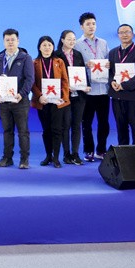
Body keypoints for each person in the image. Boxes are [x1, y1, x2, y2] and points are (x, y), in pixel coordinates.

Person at [0, 28, 34, 169]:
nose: (10, 42)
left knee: (23, 132)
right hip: (4, 102)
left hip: (20, 101)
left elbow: (30, 79)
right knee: (7, 131)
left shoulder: (25, 58)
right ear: (3, 42)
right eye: (7, 40)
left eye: (13, 39)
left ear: (18, 41)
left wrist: (22, 94)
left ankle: (24, 159)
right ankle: (7, 158)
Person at [74, 12, 110, 162]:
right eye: (88, 24)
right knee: (86, 123)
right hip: (87, 91)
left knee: (104, 123)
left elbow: (108, 60)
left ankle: (101, 150)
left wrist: (108, 65)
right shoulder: (76, 44)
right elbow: (74, 66)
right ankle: (88, 150)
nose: (91, 26)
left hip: (103, 89)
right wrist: (85, 65)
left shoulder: (103, 42)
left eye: (93, 24)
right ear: (81, 27)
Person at [31, 36, 71, 168]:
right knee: (46, 130)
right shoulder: (34, 63)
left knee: (57, 130)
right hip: (42, 102)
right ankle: (48, 155)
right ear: (39, 47)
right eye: (44, 45)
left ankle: (56, 157)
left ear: (53, 47)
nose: (47, 47)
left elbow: (65, 81)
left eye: (49, 45)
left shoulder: (59, 61)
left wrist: (63, 97)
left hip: (57, 102)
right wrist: (39, 96)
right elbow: (32, 83)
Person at [108, 24, 135, 146]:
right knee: (120, 127)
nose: (124, 35)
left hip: (134, 96)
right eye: (121, 32)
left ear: (132, 34)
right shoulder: (113, 52)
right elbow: (110, 72)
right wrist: (112, 81)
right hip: (117, 96)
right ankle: (123, 153)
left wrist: (125, 85)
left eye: (127, 32)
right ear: (118, 35)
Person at [56, 30, 86, 165]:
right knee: (65, 124)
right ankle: (66, 154)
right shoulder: (57, 55)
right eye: (69, 39)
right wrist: (65, 87)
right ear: (62, 40)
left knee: (77, 124)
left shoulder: (78, 54)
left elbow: (83, 72)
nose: (72, 41)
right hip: (64, 95)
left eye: (74, 39)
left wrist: (85, 86)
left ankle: (75, 153)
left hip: (79, 95)